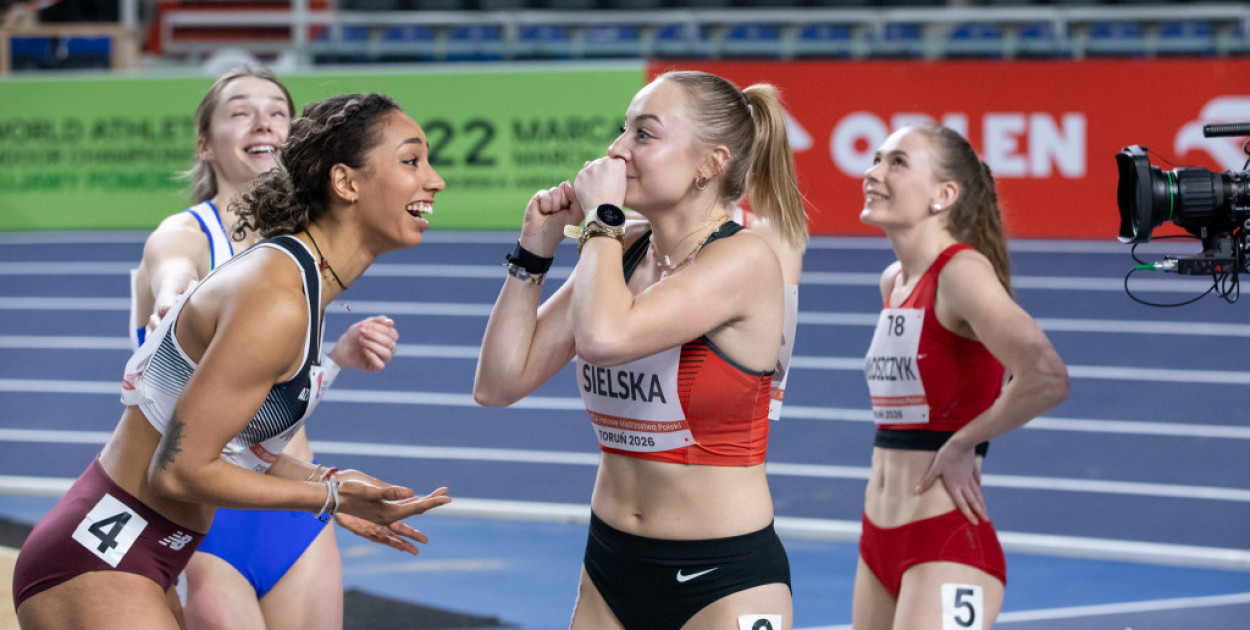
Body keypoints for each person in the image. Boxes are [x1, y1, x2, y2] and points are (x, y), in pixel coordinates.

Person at [12, 92, 451, 629]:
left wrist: (331, 481)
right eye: (412, 161)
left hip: (145, 552)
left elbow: (231, 443)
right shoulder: (277, 296)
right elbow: (178, 472)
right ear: (346, 183)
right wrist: (330, 497)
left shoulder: (300, 285)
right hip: (101, 556)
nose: (435, 180)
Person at [474, 70, 806, 630]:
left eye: (643, 135)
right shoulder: (621, 252)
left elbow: (606, 338)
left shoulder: (744, 259)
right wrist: (535, 251)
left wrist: (601, 220)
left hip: (722, 576)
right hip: (610, 566)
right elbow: (499, 383)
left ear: (710, 163)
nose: (616, 150)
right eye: (621, 130)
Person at [128, 67, 406, 630]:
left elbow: (266, 398)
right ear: (205, 145)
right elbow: (173, 270)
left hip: (291, 510)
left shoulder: (304, 249)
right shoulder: (183, 234)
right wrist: (173, 296)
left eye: (278, 112)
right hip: (205, 516)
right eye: (240, 111)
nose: (263, 123)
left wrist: (337, 358)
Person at [854, 123, 1069, 630]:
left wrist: (963, 442)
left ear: (943, 195)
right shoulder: (894, 281)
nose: (873, 172)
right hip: (878, 538)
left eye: (897, 162)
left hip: (946, 540)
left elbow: (1047, 377)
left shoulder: (961, 273)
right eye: (876, 158)